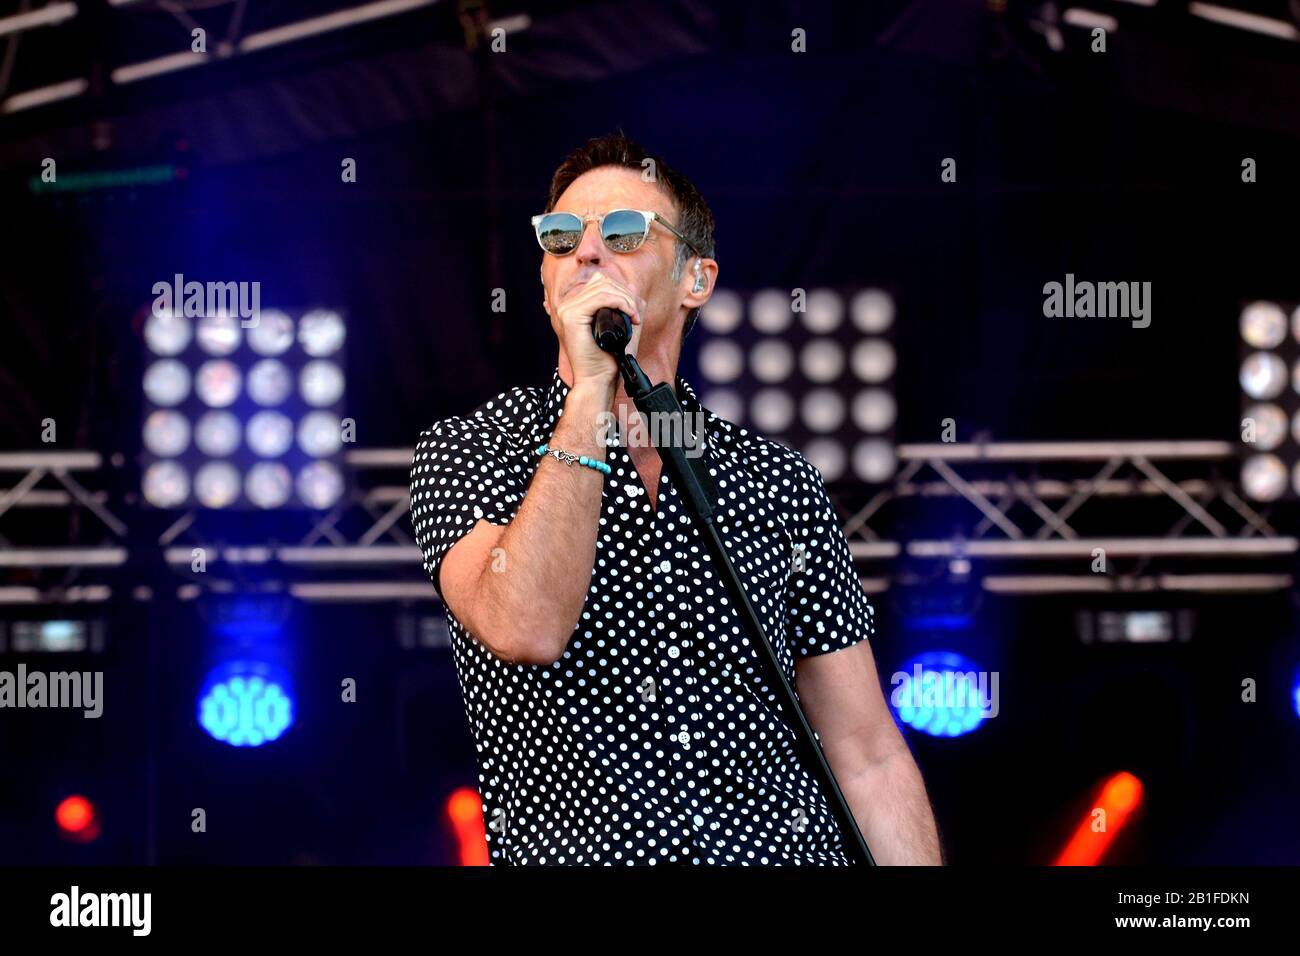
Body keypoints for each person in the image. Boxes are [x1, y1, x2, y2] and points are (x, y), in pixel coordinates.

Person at [410, 132, 941, 865]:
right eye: (561, 238)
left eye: (624, 233)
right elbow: (524, 625)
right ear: (542, 282)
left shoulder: (776, 480)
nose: (587, 254)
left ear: (696, 281)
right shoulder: (471, 450)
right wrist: (594, 386)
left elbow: (867, 752)